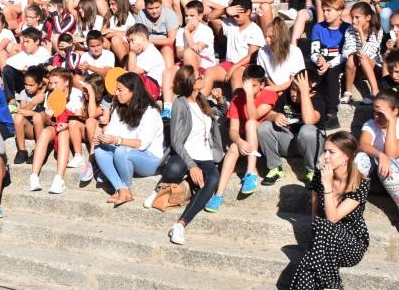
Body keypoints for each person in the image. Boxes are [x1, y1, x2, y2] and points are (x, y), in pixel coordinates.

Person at [278, 131, 370, 290]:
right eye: (325, 151)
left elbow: (333, 217)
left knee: (322, 227)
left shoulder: (361, 184)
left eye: (331, 152)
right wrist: (314, 233)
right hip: (323, 243)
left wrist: (328, 185)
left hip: (351, 244)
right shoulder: (322, 176)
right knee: (312, 250)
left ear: (346, 156)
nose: (326, 156)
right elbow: (314, 207)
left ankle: (333, 282)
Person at [144, 65, 224, 245]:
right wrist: (192, 165)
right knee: (173, 168)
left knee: (213, 179)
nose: (203, 77)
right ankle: (160, 187)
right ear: (190, 83)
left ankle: (180, 225)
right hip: (185, 152)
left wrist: (221, 101)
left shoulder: (203, 100)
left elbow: (221, 117)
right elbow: (176, 140)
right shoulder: (180, 103)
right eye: (199, 76)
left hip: (204, 154)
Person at [91, 72, 165, 207]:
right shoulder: (119, 108)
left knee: (121, 152)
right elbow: (111, 132)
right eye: (116, 89)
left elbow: (141, 144)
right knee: (100, 150)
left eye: (120, 90)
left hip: (151, 160)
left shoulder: (151, 112)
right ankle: (122, 189)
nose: (116, 93)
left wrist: (116, 140)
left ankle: (125, 187)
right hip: (126, 155)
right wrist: (102, 138)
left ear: (133, 91)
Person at [358, 91, 399, 234]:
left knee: (390, 162)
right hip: (375, 176)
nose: (376, 116)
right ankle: (352, 206)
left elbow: (392, 155)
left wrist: (391, 124)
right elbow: (363, 144)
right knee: (359, 158)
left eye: (381, 113)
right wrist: (380, 155)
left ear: (395, 111)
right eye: (375, 112)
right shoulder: (371, 124)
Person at [217, 64, 278, 200]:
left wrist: (249, 95)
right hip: (248, 142)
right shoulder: (237, 100)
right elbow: (233, 130)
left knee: (250, 123)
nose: (248, 89)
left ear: (262, 84)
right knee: (233, 148)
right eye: (246, 85)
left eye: (253, 86)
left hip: (264, 141)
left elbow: (253, 116)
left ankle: (251, 171)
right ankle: (218, 194)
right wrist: (239, 141)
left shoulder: (270, 95)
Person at [258, 70, 322, 187]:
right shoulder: (287, 95)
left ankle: (313, 171)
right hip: (288, 142)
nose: (293, 94)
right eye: (293, 88)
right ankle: (275, 169)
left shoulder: (317, 100)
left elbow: (309, 120)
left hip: (309, 145)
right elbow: (269, 115)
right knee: (264, 127)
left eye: (299, 91)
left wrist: (304, 94)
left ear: (311, 93)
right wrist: (275, 116)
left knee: (307, 130)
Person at [341, 1, 383, 105]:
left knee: (363, 56)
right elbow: (346, 50)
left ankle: (375, 91)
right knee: (351, 57)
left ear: (368, 18)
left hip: (374, 66)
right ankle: (348, 93)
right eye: (352, 17)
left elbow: (370, 52)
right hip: (356, 67)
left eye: (357, 17)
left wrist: (360, 33)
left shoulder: (377, 30)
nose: (354, 21)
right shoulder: (349, 30)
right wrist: (355, 53)